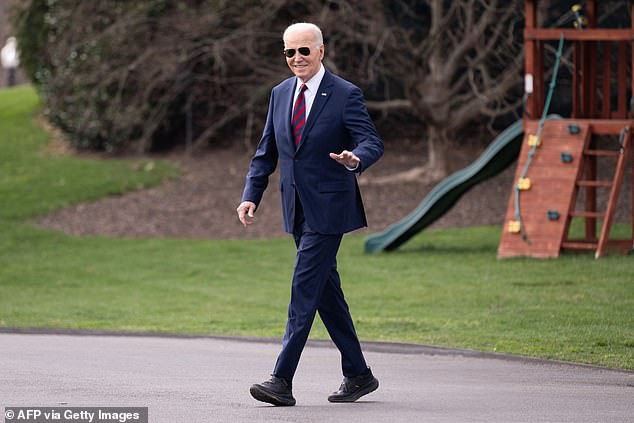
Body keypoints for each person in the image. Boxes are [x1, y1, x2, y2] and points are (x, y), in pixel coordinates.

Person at [236, 22, 384, 406]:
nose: (297, 58)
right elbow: (266, 152)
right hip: (296, 208)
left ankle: (280, 380)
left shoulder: (345, 94)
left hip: (331, 208)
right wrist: (252, 195)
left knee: (304, 290)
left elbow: (371, 140)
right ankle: (359, 374)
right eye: (290, 52)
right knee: (325, 293)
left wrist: (356, 159)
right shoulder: (280, 94)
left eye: (304, 50)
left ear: (321, 51)